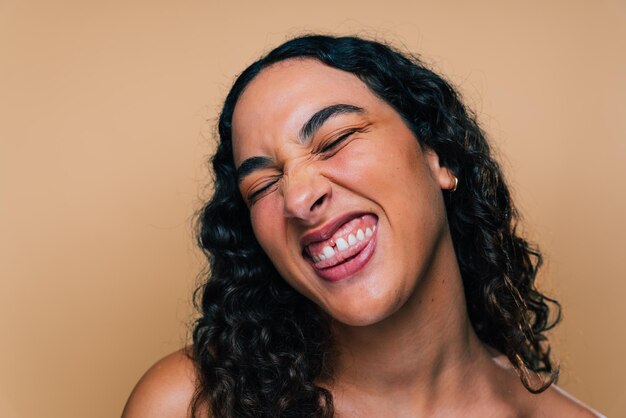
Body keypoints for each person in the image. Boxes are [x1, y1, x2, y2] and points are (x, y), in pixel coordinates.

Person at [123, 35, 602, 417]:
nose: (298, 198)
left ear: (438, 155)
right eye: (264, 185)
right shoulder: (186, 405)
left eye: (335, 140)